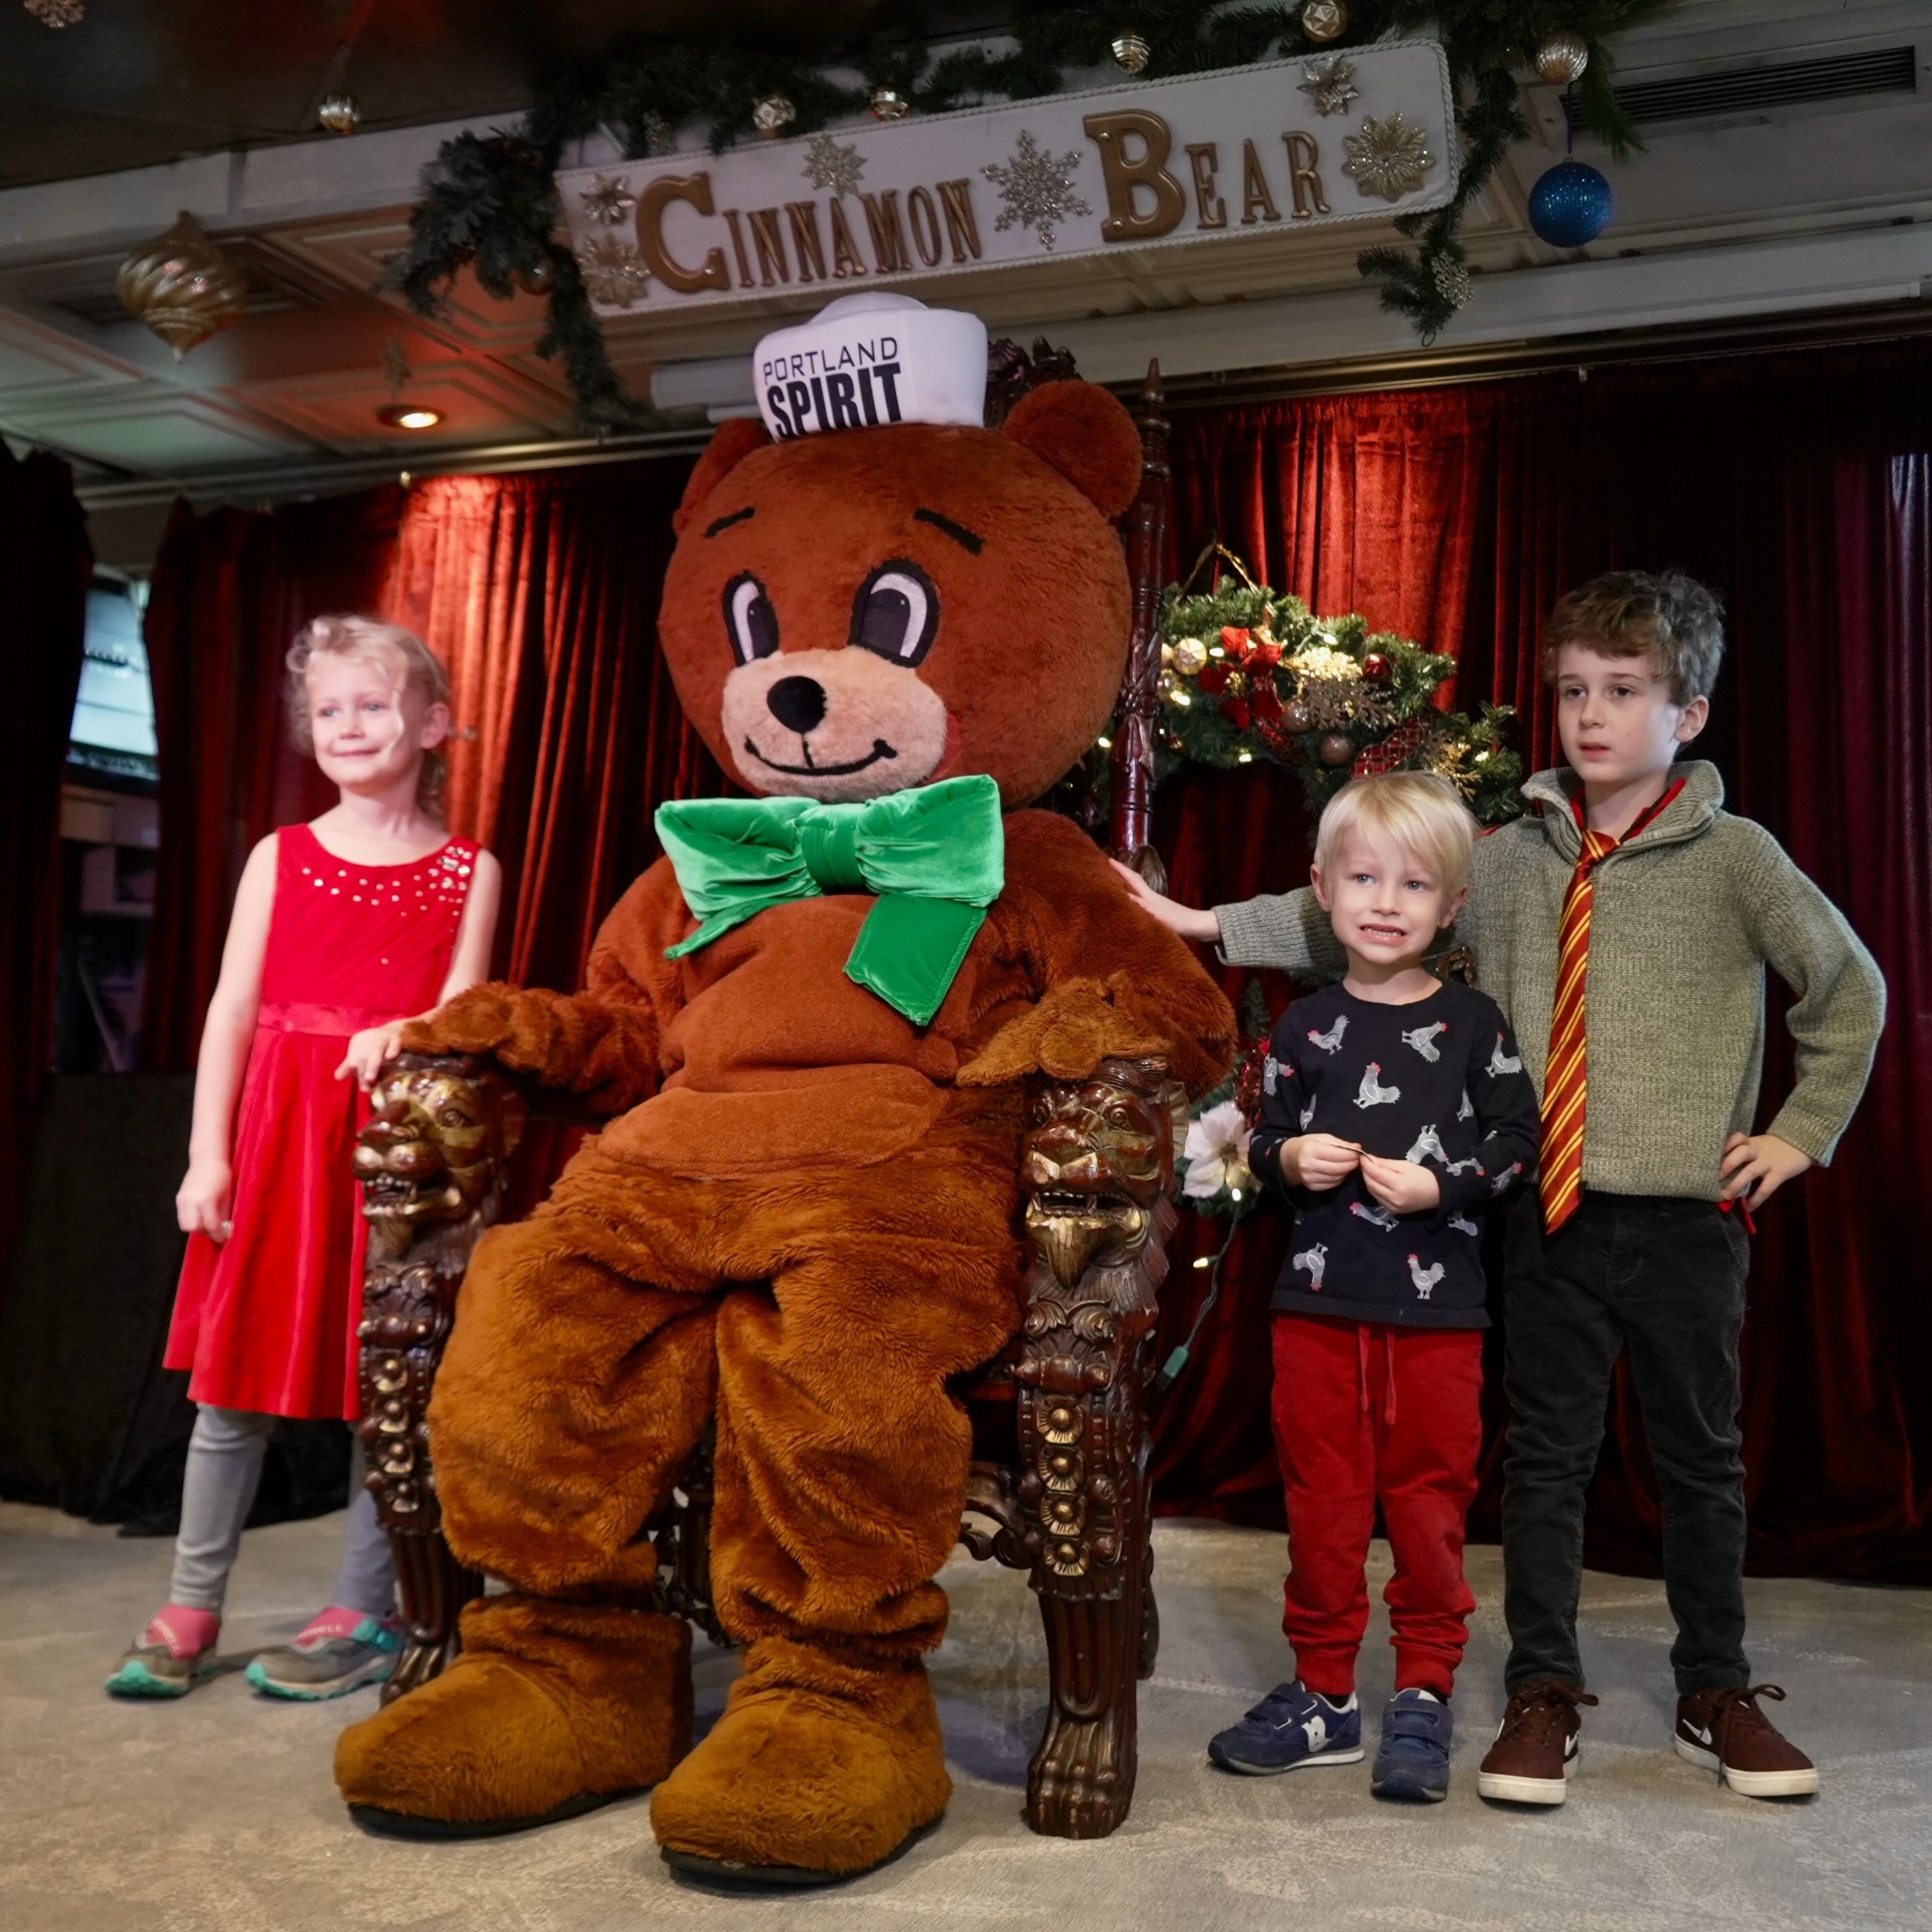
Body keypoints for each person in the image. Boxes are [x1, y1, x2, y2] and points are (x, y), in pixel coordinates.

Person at [1118, 570, 1884, 1804]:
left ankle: (1714, 1688)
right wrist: (1208, 923)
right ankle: (1542, 1690)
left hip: (1690, 1215)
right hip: (1546, 1209)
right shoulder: (1513, 859)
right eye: (1574, 690)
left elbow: (1851, 990)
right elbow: (1370, 912)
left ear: (1686, 716)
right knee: (1545, 1462)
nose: (1591, 715)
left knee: (1700, 1459)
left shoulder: (1738, 858)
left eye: (1624, 693)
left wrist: (1800, 1132)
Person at [107, 616, 501, 1702]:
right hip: (277, 1139)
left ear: (430, 724)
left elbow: (465, 1013)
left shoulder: (473, 869)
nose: (348, 726)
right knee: (229, 1390)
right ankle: (191, 1603)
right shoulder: (279, 856)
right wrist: (206, 1157)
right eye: (329, 710)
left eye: (371, 704)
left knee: (388, 1381)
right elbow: (232, 1009)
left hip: (390, 1154)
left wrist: (410, 1032)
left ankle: (362, 1608)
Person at [1204, 774, 1538, 1804]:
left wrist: (1446, 1184)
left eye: (1416, 884)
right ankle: (1326, 1694)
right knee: (1324, 1508)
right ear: (1323, 889)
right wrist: (1286, 1157)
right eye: (1364, 878)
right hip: (1318, 1309)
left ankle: (1426, 1694)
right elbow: (1257, 1139)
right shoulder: (1306, 1028)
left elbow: (1519, 1143)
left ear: (1452, 905)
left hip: (1440, 1320)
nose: (1388, 902)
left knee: (1431, 1508)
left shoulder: (1477, 1024)